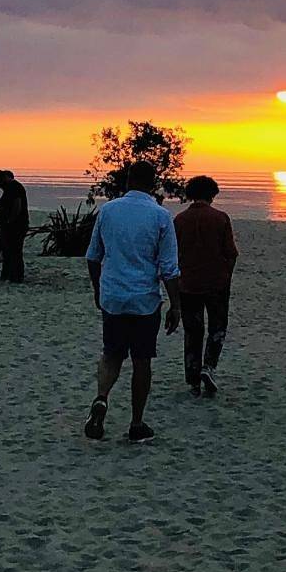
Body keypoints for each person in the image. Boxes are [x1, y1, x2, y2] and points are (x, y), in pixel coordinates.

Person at [84, 161, 181, 443]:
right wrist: (175, 305)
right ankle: (136, 422)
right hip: (144, 300)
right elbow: (169, 268)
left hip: (113, 296)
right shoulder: (160, 216)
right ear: (153, 183)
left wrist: (97, 290)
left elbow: (93, 256)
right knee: (141, 361)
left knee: (111, 353)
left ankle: (102, 398)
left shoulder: (108, 211)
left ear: (127, 180)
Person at [174, 175, 238, 396]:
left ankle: (193, 380)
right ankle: (209, 366)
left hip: (188, 283)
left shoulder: (180, 220)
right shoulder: (220, 218)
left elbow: (173, 254)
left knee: (193, 331)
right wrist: (226, 274)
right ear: (212, 194)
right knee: (217, 328)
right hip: (216, 283)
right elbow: (231, 252)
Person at [0, 170, 29, 282]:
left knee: (15, 251)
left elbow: (17, 206)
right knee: (8, 251)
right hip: (9, 225)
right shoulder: (9, 188)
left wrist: (10, 221)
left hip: (15, 226)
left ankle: (17, 277)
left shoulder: (14, 187)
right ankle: (8, 275)